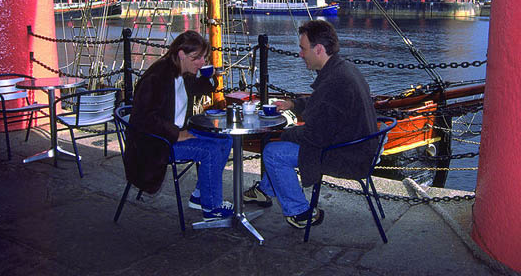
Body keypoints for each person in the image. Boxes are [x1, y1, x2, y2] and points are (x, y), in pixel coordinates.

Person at [243, 20, 378, 229]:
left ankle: (299, 212)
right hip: (360, 147)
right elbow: (323, 104)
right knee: (280, 144)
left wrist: (286, 132)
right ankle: (265, 190)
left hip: (346, 155)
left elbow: (314, 137)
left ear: (319, 49)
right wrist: (293, 104)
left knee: (273, 152)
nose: (300, 54)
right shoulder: (344, 69)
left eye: (303, 48)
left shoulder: (334, 82)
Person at [124, 30, 234, 221]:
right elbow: (144, 118)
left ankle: (200, 196)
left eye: (203, 58)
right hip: (154, 144)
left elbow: (199, 88)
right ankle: (212, 209)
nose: (201, 63)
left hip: (171, 134)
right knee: (211, 150)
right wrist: (176, 134)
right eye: (197, 58)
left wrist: (211, 76)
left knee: (225, 139)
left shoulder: (181, 71)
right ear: (181, 54)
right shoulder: (157, 77)